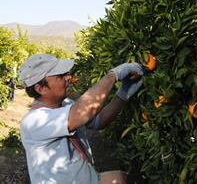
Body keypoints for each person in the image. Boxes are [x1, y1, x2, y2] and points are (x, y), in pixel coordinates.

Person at [18, 54, 143, 184]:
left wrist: (123, 94)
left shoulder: (66, 104)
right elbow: (83, 112)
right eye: (61, 76)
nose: (68, 78)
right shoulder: (34, 121)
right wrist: (113, 75)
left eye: (66, 73)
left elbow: (99, 120)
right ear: (41, 88)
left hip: (86, 178)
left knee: (120, 178)